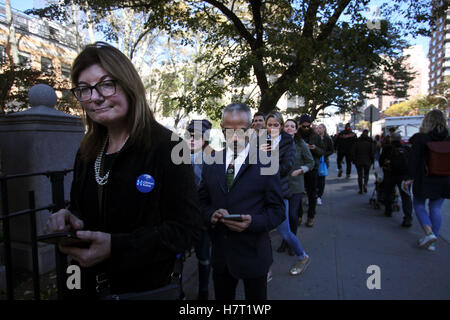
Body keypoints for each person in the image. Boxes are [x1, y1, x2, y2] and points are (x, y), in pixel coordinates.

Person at [44, 42, 203, 299]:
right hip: (86, 286)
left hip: (143, 290)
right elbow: (81, 207)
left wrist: (116, 247)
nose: (95, 97)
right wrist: (68, 217)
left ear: (129, 86)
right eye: (84, 89)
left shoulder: (169, 146)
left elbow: (188, 229)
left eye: (106, 84)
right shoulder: (88, 149)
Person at [198, 103, 284, 300]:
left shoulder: (266, 162)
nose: (235, 136)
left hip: (254, 256)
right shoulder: (211, 162)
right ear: (221, 127)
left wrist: (252, 222)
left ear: (252, 128)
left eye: (242, 129)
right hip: (221, 258)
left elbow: (278, 210)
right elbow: (200, 203)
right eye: (229, 130)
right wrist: (210, 215)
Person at [262, 112, 311, 276]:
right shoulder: (260, 140)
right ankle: (265, 268)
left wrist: (267, 159)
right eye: (270, 124)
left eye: (276, 125)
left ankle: (302, 257)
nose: (273, 128)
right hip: (260, 192)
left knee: (284, 231)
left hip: (279, 193)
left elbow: (286, 167)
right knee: (262, 233)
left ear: (281, 126)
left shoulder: (288, 141)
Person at [404, 110, 450, 251]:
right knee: (436, 208)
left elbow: (414, 160)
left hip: (424, 178)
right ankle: (433, 241)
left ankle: (429, 234)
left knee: (418, 204)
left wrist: (409, 178)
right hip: (444, 178)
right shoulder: (448, 138)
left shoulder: (421, 138)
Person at [186, 119, 215, 300]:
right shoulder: (179, 155)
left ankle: (203, 290)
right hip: (183, 215)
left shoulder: (213, 158)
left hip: (203, 215)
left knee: (203, 255)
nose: (192, 138)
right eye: (190, 134)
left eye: (196, 136)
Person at [283, 119, 314, 244]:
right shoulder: (278, 142)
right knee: (283, 216)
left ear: (296, 130)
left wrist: (300, 170)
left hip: (296, 185)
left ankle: (292, 241)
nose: (289, 128)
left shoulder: (300, 144)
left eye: (292, 126)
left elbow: (310, 162)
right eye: (286, 126)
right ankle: (285, 240)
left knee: (292, 214)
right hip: (281, 184)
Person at [296, 114, 325, 227]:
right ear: (300, 125)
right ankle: (298, 215)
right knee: (297, 192)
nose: (306, 128)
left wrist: (314, 148)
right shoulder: (295, 134)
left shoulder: (315, 136)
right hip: (298, 167)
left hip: (311, 167)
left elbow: (323, 151)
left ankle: (311, 216)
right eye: (304, 126)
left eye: (308, 126)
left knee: (312, 193)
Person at [379, 132, 412, 227]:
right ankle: (408, 218)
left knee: (388, 192)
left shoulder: (387, 148)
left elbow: (381, 161)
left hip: (390, 174)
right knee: (406, 196)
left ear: (391, 139)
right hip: (404, 176)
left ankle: (388, 210)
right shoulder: (407, 148)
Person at [351, 130, 376, 194]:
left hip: (358, 161)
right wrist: (373, 161)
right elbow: (372, 154)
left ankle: (360, 189)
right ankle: (365, 184)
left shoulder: (357, 143)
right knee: (366, 174)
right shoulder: (370, 144)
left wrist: (354, 160)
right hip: (367, 161)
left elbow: (353, 153)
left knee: (360, 175)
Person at [315, 124, 334, 205]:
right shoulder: (314, 138)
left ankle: (319, 196)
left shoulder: (328, 139)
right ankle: (314, 195)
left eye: (320, 128)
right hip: (315, 160)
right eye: (317, 128)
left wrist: (323, 154)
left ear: (324, 129)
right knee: (314, 179)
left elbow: (331, 150)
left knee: (321, 180)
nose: (318, 129)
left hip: (323, 162)